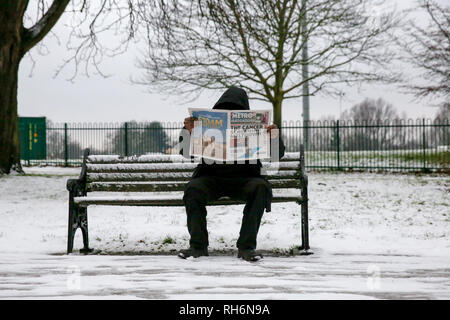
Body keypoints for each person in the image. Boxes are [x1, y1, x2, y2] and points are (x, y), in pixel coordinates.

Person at [178, 86, 285, 262]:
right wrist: (187, 132)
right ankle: (198, 246)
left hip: (246, 178)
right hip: (211, 177)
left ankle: (246, 247)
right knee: (193, 189)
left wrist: (273, 136)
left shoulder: (259, 125)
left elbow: (276, 155)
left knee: (260, 187)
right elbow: (185, 153)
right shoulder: (203, 124)